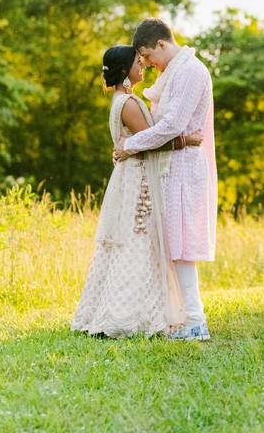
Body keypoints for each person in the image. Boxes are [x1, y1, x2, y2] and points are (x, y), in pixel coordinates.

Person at [71, 45, 202, 338]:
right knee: (137, 241)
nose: (141, 65)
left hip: (134, 174)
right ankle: (125, 315)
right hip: (137, 181)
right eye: (136, 62)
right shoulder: (127, 104)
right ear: (124, 70)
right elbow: (152, 141)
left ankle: (136, 311)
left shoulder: (126, 99)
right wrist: (188, 140)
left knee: (135, 242)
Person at [114, 19, 218, 341]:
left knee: (182, 244)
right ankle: (183, 316)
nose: (146, 64)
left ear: (161, 44)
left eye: (147, 56)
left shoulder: (190, 72)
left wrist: (129, 145)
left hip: (184, 169)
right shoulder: (172, 74)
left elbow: (173, 125)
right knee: (174, 243)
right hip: (170, 167)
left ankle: (195, 320)